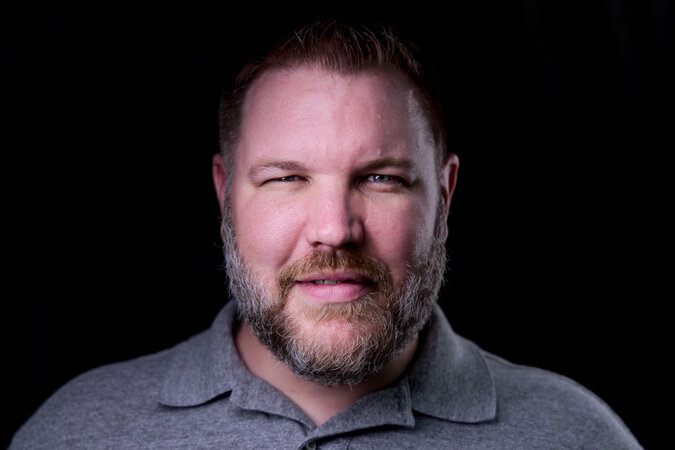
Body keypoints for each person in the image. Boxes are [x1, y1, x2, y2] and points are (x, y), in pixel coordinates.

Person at [10, 18, 642, 449]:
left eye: (381, 178)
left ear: (445, 197)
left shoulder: (577, 436)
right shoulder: (74, 434)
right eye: (287, 178)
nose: (335, 230)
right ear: (225, 196)